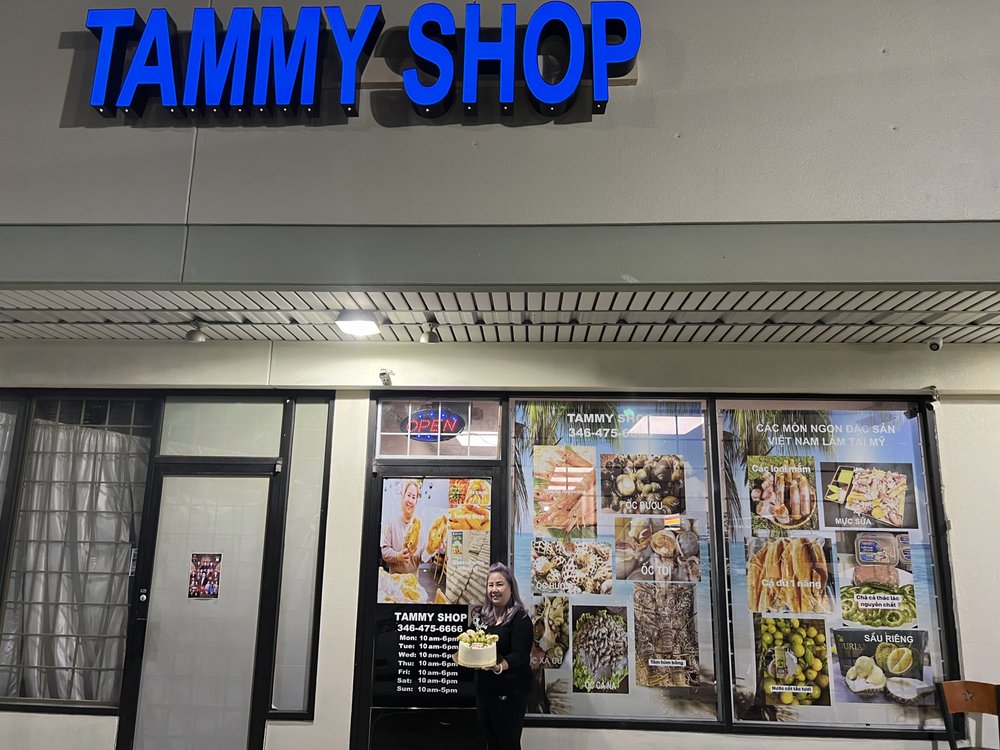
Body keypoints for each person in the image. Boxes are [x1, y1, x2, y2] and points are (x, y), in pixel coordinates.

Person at [472, 562, 533, 750]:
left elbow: (521, 655)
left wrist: (499, 666)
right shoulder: (482, 616)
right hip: (484, 693)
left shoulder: (520, 618)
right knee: (491, 743)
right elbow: (471, 640)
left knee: (507, 744)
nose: (494, 590)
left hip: (510, 693)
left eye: (499, 584)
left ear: (511, 588)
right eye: (490, 585)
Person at [380, 479, 428, 573]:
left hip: (412, 578)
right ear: (403, 496)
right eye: (408, 495)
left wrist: (432, 550)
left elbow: (423, 557)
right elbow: (385, 552)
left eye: (413, 497)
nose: (410, 500)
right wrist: (397, 556)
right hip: (394, 578)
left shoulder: (420, 527)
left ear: (416, 502)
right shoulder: (392, 522)